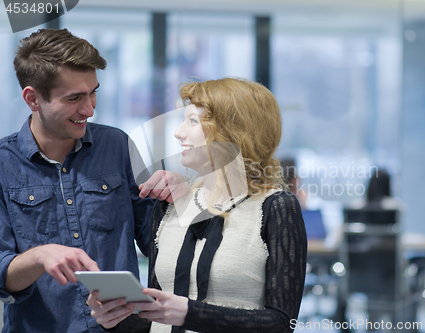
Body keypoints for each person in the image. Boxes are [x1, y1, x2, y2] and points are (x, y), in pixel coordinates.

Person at [89, 78, 308, 333]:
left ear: (233, 130)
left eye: (192, 121)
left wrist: (189, 313)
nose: (178, 132)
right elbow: (155, 316)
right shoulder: (170, 204)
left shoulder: (276, 207)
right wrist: (115, 318)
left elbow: (282, 324)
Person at [0, 28, 181, 333]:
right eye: (74, 98)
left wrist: (177, 200)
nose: (89, 109)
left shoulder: (118, 145)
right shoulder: (3, 164)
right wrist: (40, 256)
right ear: (32, 98)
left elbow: (160, 244)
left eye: (93, 92)